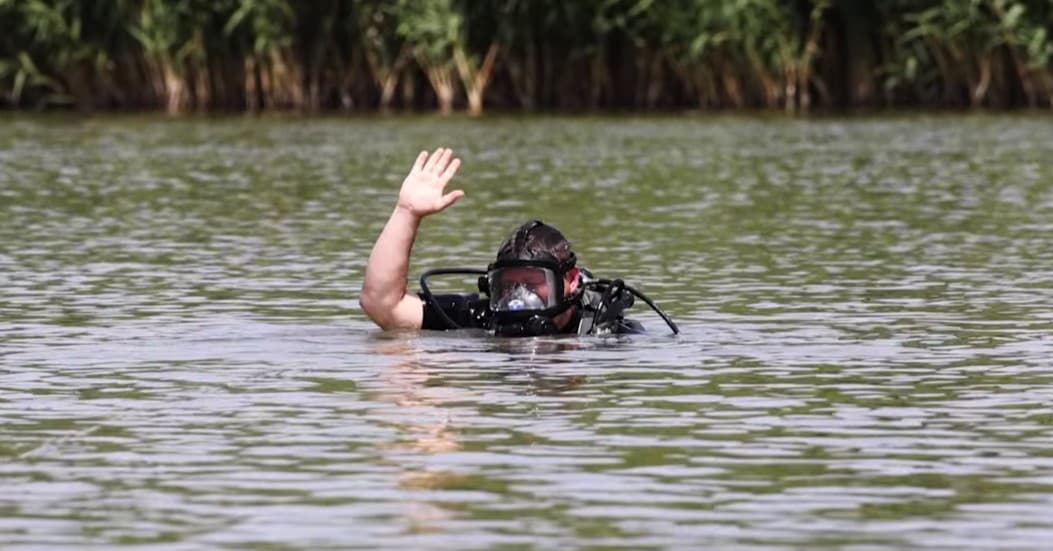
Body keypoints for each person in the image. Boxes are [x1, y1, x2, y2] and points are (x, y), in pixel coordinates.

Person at [359, 148, 675, 337]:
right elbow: (382, 305)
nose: (518, 297)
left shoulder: (607, 334)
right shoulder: (484, 317)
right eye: (508, 285)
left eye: (534, 284)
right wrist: (406, 213)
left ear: (571, 281)